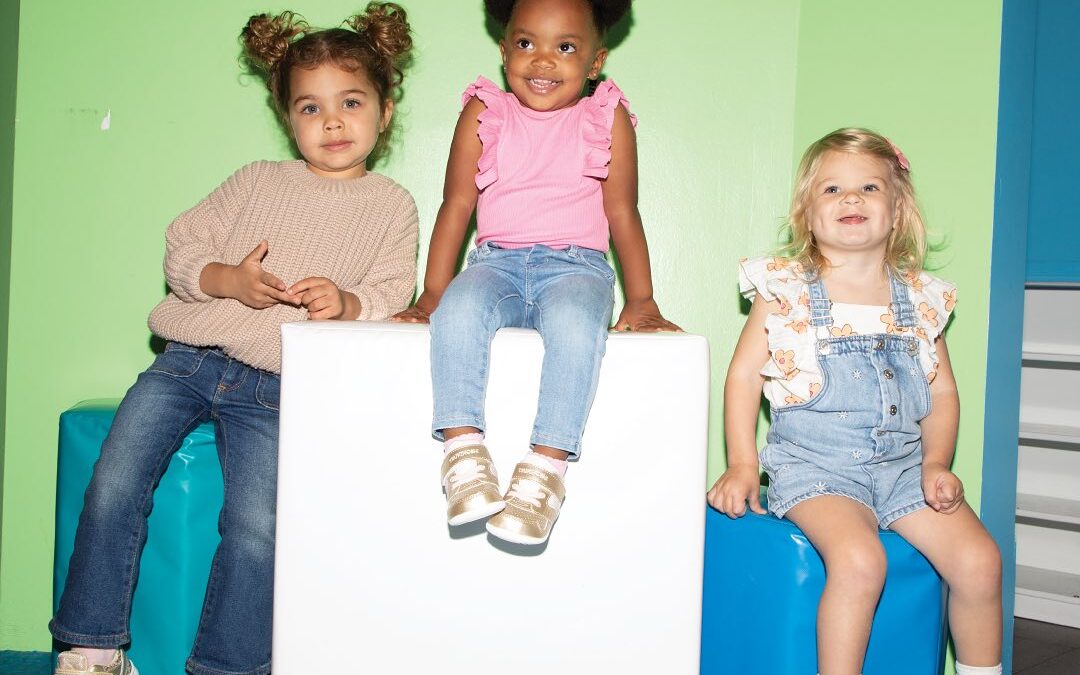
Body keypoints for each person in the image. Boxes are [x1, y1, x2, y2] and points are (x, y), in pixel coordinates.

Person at [49, 4, 417, 673]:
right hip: (187, 362)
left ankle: (228, 664)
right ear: (287, 119)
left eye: (351, 102)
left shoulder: (392, 205)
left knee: (257, 527)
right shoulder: (256, 180)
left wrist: (347, 301)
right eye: (310, 107)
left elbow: (394, 293)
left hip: (278, 386)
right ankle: (92, 646)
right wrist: (226, 278)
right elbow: (182, 242)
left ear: (384, 112)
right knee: (113, 480)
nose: (331, 121)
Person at [707, 128, 1002, 675]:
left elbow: (941, 389)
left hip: (903, 469)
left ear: (897, 212)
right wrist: (743, 463)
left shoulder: (921, 299)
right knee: (860, 560)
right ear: (806, 215)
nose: (851, 199)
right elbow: (744, 377)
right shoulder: (786, 290)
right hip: (817, 471)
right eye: (832, 189)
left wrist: (936, 462)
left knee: (980, 561)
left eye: (869, 187)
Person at [393, 0, 678, 545]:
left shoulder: (605, 115)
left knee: (576, 327)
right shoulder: (485, 112)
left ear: (596, 61)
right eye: (526, 43)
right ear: (503, 52)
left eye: (565, 47)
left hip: (576, 267)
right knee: (459, 310)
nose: (542, 60)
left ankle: (545, 469)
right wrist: (431, 293)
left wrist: (642, 300)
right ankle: (463, 453)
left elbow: (622, 211)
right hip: (494, 260)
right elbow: (457, 204)